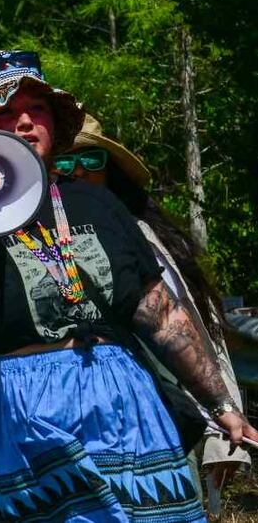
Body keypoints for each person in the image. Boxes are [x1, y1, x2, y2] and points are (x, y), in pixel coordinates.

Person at [0, 51, 256, 521]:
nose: (25, 122)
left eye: (38, 109)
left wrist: (224, 406)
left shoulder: (96, 204)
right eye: (5, 111)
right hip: (0, 416)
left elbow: (162, 314)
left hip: (113, 410)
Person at [60, 114, 250, 492]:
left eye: (92, 161)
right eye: (65, 163)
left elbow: (186, 326)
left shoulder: (141, 238)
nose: (78, 172)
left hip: (156, 415)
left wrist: (220, 422)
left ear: (112, 171)